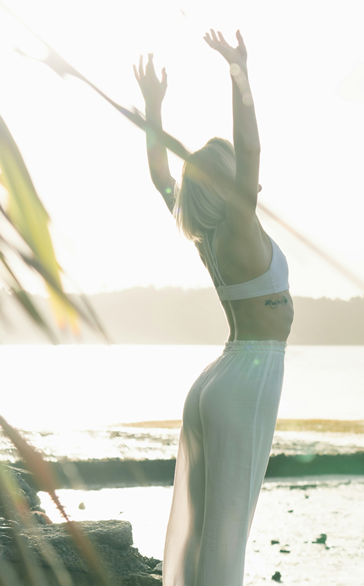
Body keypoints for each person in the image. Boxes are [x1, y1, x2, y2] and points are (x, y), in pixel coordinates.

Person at [134, 28, 294, 586]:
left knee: (202, 525)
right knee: (227, 530)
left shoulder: (207, 238)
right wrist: (238, 71)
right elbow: (251, 147)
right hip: (249, 374)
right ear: (227, 180)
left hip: (216, 379)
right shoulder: (237, 226)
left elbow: (160, 175)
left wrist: (154, 108)